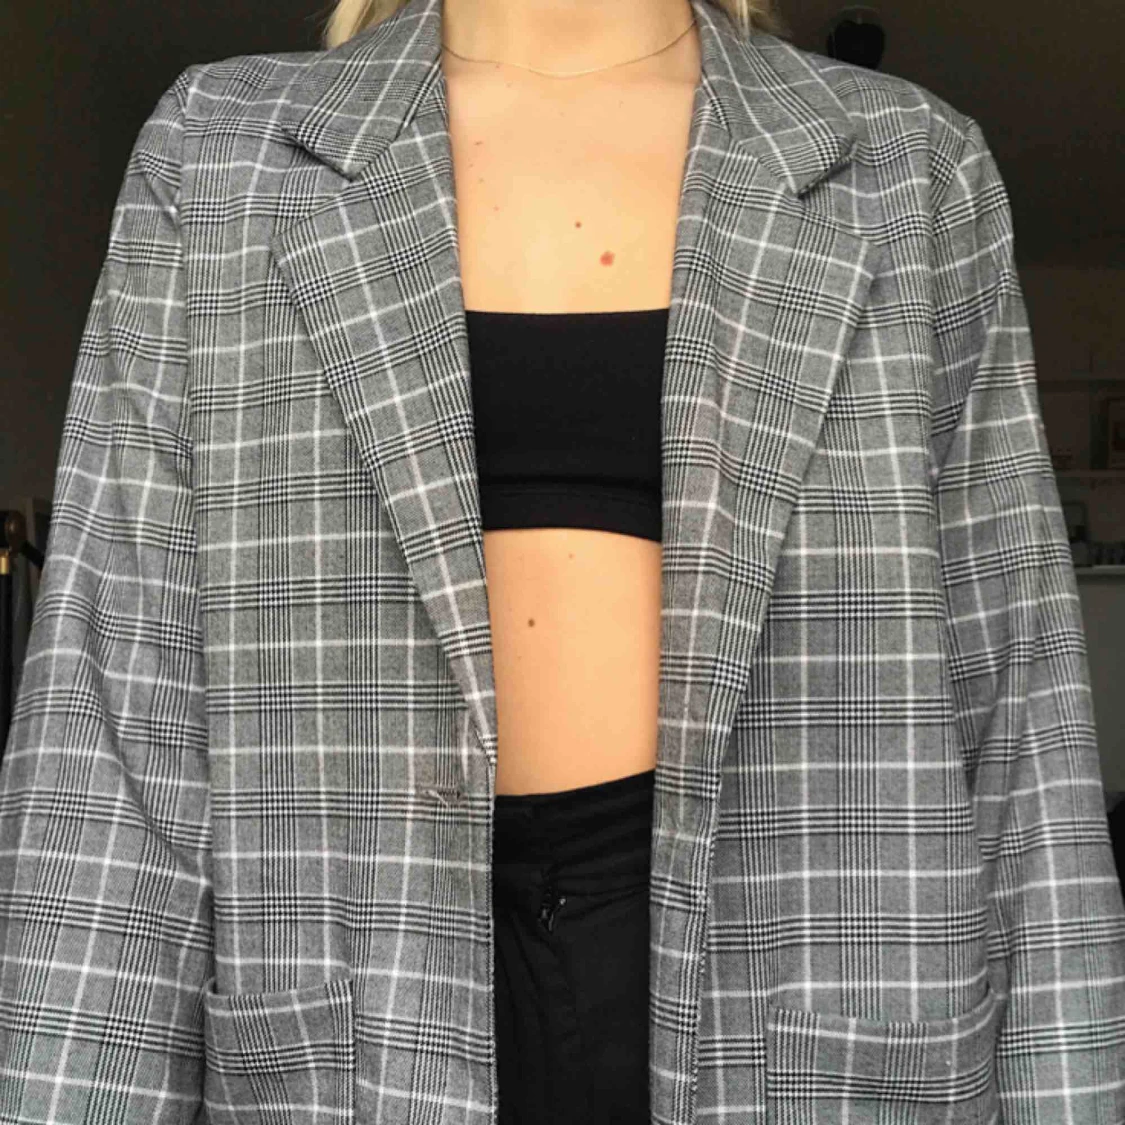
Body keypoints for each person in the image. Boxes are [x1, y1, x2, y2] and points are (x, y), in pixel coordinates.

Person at [1, 0, 1123, 1120]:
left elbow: (1025, 748)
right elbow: (109, 755)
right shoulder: (219, 150)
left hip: (812, 1006)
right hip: (355, 1006)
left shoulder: (909, 170)